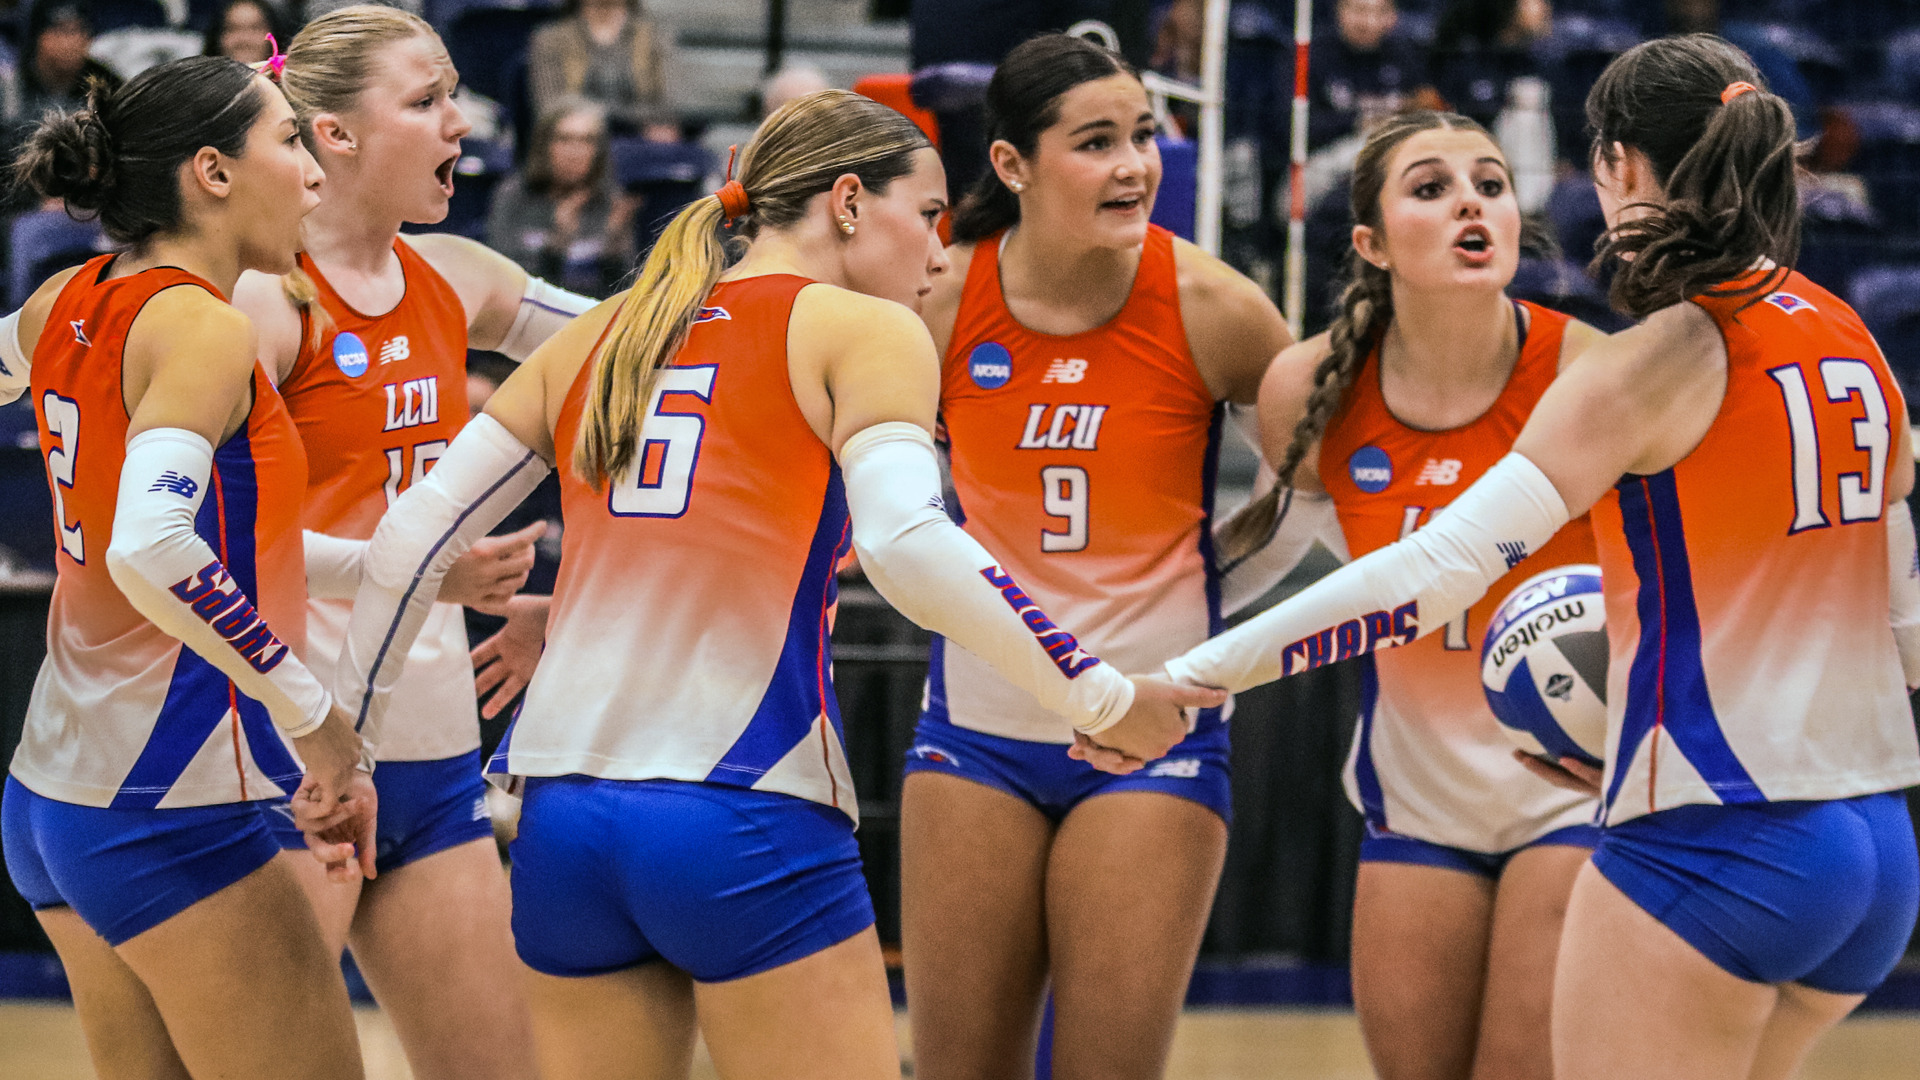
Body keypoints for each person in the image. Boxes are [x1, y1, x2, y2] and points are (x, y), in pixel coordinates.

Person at [327, 86, 1221, 1080]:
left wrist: (350, 752)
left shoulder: (603, 332)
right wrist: (1098, 692)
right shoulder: (862, 330)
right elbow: (909, 544)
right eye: (927, 218)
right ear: (848, 201)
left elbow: (407, 543)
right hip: (744, 808)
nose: (937, 255)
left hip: (566, 825)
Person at [1117, 34, 1920, 1080]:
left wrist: (1190, 677)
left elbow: (1433, 572)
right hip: (1873, 845)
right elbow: (1901, 616)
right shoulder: (1848, 335)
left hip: (1721, 842)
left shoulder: (1643, 365)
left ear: (1617, 170)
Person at [901, 33, 1292, 1080]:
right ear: (1013, 166)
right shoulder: (941, 297)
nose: (1134, 165)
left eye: (1144, 137)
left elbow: (1314, 491)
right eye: (1096, 143)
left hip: (1151, 739)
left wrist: (1221, 602)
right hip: (974, 738)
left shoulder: (1212, 305)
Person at [228, 7, 599, 1079]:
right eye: (427, 100)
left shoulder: (460, 273)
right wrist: (431, 575)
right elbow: (203, 550)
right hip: (287, 747)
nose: (460, 121)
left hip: (432, 752)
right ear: (336, 135)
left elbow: (638, 341)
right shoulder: (264, 301)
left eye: (454, 95)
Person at [1212, 109, 1604, 1080]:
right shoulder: (1311, 382)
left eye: (1491, 183)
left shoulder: (1593, 373)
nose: (1472, 201)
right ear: (1371, 244)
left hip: (1573, 795)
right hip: (1414, 802)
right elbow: (1263, 563)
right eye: (1431, 188)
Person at [0, 55, 370, 1079]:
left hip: (55, 797)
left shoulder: (66, 298)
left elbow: (233, 548)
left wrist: (402, 565)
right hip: (164, 804)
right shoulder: (205, 325)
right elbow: (155, 546)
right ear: (211, 171)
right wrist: (316, 720)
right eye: (289, 140)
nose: (311, 172)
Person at [487, 98, 638, 299]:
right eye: (564, 139)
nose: (575, 153)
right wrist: (556, 245)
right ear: (543, 145)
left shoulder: (611, 200)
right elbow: (503, 285)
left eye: (587, 141)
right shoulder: (513, 196)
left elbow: (625, 295)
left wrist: (614, 250)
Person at [527, 0, 673, 139]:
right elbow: (551, 110)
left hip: (644, 142)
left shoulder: (657, 38)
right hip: (576, 140)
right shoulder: (549, 40)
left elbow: (672, 105)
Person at [1306, 0, 1427, 152]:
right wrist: (1358, 122)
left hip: (1399, 151)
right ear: (1339, 11)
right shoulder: (1310, 55)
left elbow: (1429, 109)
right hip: (1329, 156)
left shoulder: (1408, 54)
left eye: (1381, 11)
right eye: (1360, 10)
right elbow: (1296, 126)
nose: (1370, 22)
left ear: (1394, 16)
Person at [3, 1, 122, 140]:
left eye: (79, 30)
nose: (71, 42)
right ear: (38, 37)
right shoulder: (8, 88)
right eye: (62, 31)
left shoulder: (107, 86)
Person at [203, 0, 292, 67]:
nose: (244, 39)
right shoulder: (198, 89)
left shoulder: (291, 90)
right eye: (233, 28)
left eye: (255, 28)